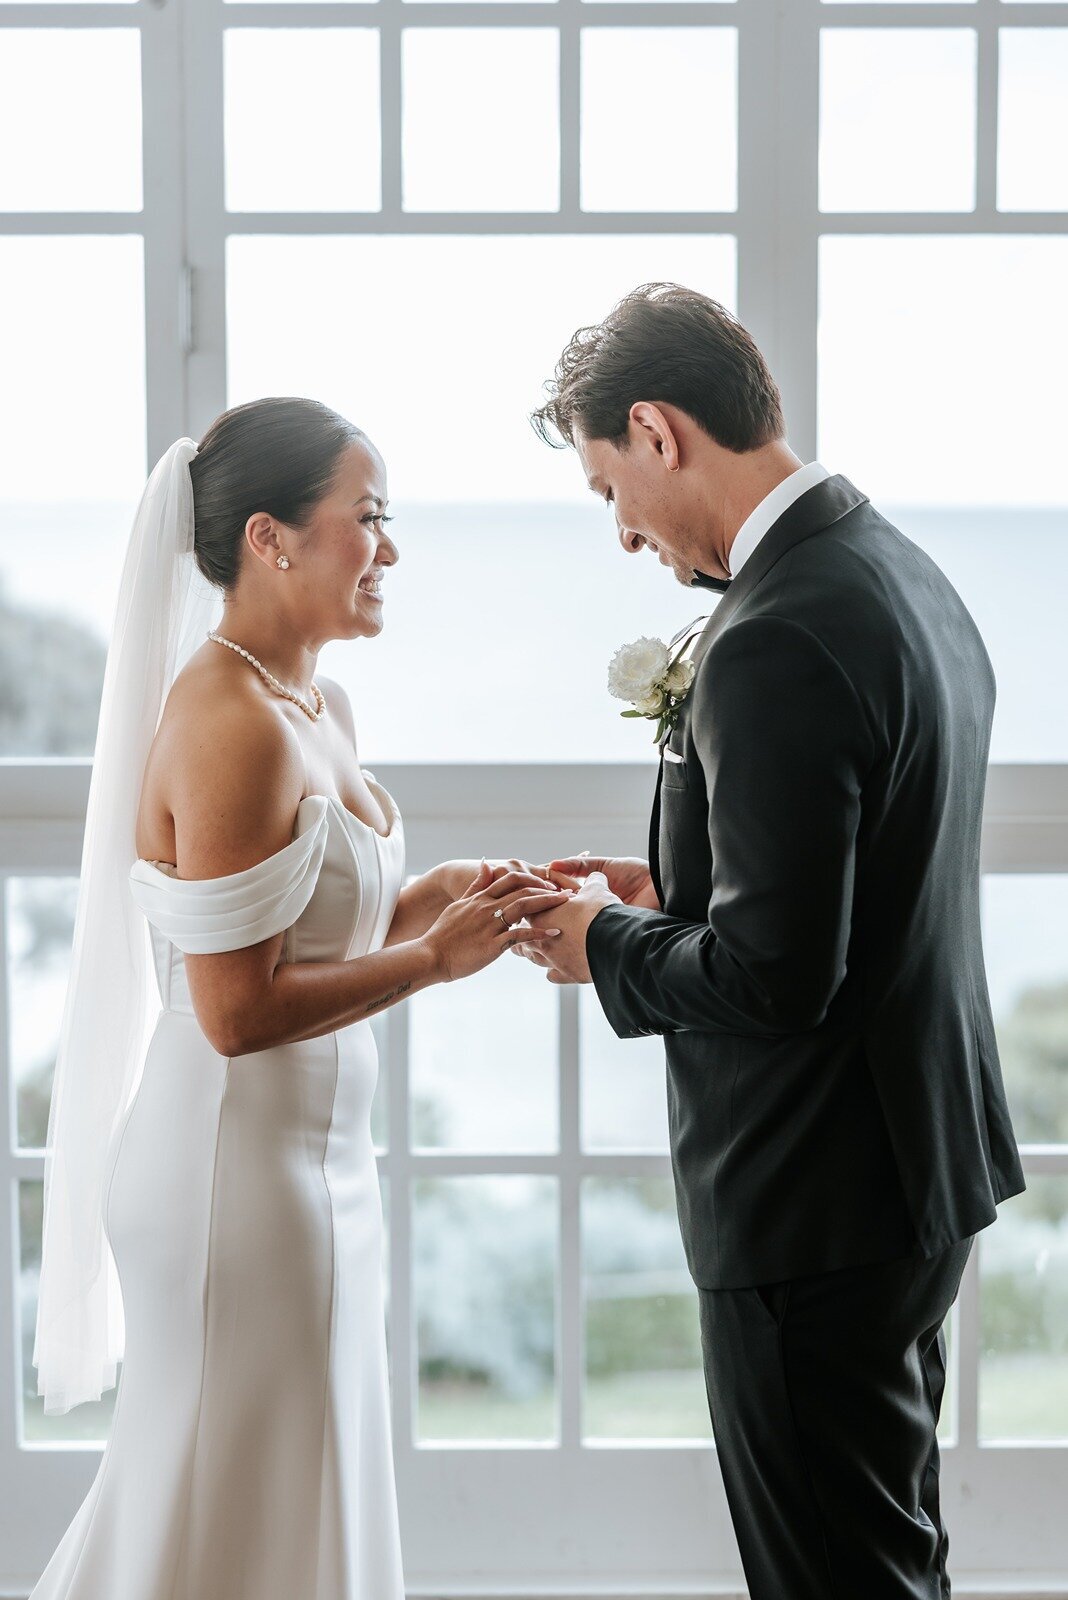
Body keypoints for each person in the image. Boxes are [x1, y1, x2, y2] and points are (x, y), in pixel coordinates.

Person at [519, 282, 1026, 1599]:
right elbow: (859, 877)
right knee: (888, 1564)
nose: (623, 532)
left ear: (657, 428)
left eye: (604, 486)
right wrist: (672, 880)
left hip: (810, 1199)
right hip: (911, 1171)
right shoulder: (899, 572)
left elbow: (776, 973)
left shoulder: (778, 629)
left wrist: (603, 943)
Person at [28, 396, 573, 1600]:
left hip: (316, 1167)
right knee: (216, 1494)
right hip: (230, 1174)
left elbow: (314, 924)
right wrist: (435, 962)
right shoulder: (227, 721)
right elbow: (234, 1012)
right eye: (367, 518)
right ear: (269, 539)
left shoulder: (319, 706)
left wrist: (440, 896)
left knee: (292, 1485)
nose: (390, 549)